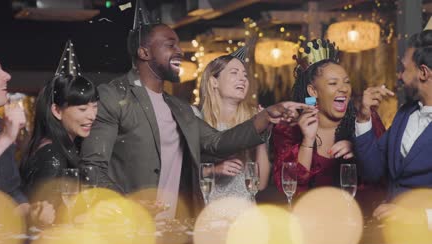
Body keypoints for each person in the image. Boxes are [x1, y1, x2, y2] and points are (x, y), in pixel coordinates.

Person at [80, 0, 308, 220]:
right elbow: (92, 167)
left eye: (178, 44)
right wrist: (127, 204)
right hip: (130, 228)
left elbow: (218, 142)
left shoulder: (179, 108)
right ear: (144, 53)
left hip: (176, 227)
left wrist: (266, 116)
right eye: (170, 45)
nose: (179, 51)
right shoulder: (114, 96)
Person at [272, 39, 385, 194]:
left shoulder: (365, 119)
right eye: (333, 83)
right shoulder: (288, 128)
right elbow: (290, 187)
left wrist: (359, 149)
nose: (344, 89)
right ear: (313, 91)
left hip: (359, 214)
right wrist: (307, 140)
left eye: (347, 82)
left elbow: (385, 174)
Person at [0, 40, 54, 224]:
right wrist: (5, 139)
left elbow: (11, 192)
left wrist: (30, 211)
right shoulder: (4, 137)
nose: (7, 76)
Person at [355, 29, 432, 224]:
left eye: (403, 69)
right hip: (392, 242)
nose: (399, 76)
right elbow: (373, 171)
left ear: (423, 72)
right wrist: (364, 116)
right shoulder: (405, 113)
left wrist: (417, 217)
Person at [20, 41, 99, 200]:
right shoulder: (52, 155)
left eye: (95, 106)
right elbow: (44, 214)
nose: (91, 115)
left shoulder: (62, 147)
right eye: (82, 109)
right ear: (57, 110)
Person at [197, 51, 270, 203]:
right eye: (234, 73)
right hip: (207, 213)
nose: (242, 79)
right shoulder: (197, 118)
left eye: (245, 75)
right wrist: (213, 170)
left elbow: (261, 184)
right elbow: (181, 175)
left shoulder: (253, 120)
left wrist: (261, 135)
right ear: (214, 81)